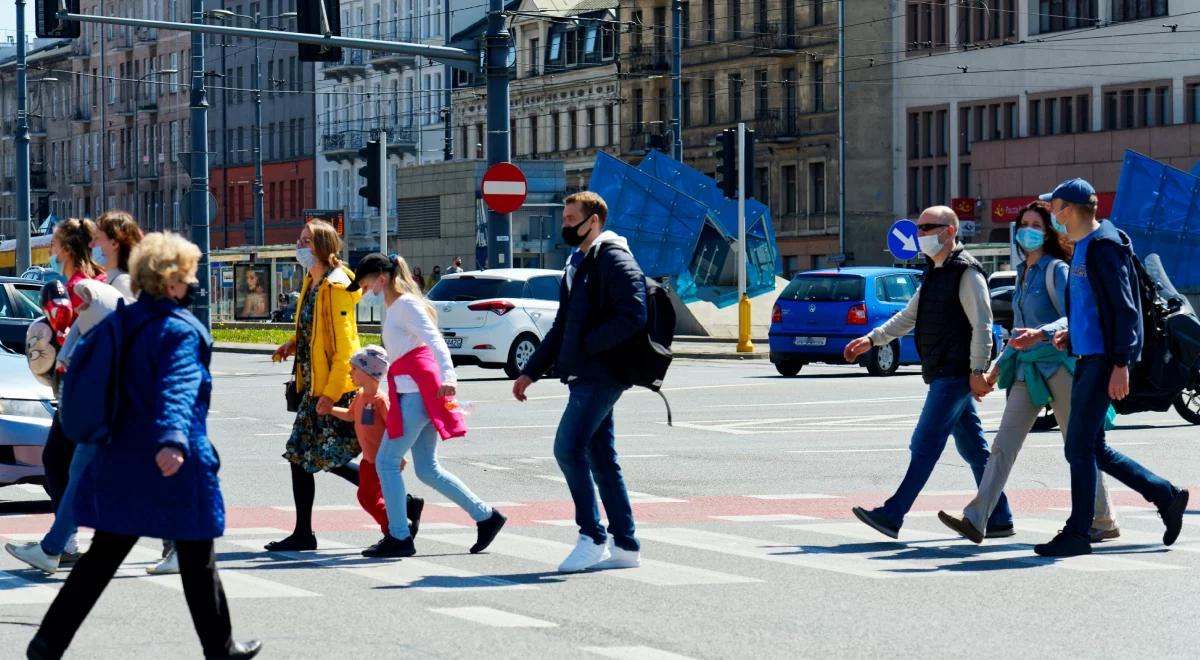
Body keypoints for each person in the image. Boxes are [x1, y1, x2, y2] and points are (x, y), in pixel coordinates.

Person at [24, 232, 261, 660]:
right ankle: (220, 648)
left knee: (103, 557)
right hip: (172, 460)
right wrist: (172, 439)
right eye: (187, 275)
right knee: (196, 553)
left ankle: (47, 642)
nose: (191, 284)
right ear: (171, 282)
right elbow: (178, 387)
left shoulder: (118, 322)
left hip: (119, 457)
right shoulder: (180, 331)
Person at [937, 201, 1119, 544]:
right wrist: (993, 371)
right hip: (1027, 371)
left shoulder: (1057, 270)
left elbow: (1075, 318)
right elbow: (1018, 331)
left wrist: (1043, 333)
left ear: (1048, 231)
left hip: (1063, 369)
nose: (1028, 231)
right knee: (1003, 445)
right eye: (1025, 224)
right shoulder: (1022, 272)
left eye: (1036, 225)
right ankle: (977, 518)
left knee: (1078, 447)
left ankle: (1104, 518)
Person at [1032, 178, 1189, 557]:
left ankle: (1078, 531)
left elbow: (1125, 308)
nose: (1051, 214)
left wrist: (1121, 362)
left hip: (1105, 361)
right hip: (1089, 356)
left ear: (1069, 209)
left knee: (1079, 447)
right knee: (1092, 447)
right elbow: (1092, 308)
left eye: (1053, 207)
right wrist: (1074, 336)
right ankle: (1165, 495)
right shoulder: (1086, 246)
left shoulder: (1105, 245)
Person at [844, 205, 1013, 539]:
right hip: (943, 372)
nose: (919, 235)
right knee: (973, 448)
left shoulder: (967, 272)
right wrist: (872, 339)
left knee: (925, 443)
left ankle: (893, 514)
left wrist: (978, 369)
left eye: (926, 228)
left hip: (954, 373)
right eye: (919, 228)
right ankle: (999, 516)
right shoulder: (936, 271)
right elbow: (910, 316)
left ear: (949, 231)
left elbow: (983, 325)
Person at [512, 191, 648, 573]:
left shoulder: (614, 258)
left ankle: (592, 536)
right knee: (602, 458)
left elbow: (634, 314)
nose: (565, 225)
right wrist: (530, 371)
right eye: (565, 218)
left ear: (594, 221)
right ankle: (625, 546)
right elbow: (562, 326)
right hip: (586, 373)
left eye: (572, 218)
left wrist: (590, 346)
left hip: (603, 373)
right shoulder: (579, 262)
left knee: (568, 448)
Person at [268, 220, 422, 552]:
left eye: (306, 241)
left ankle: (305, 533)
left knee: (304, 456)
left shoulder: (336, 286)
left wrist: (331, 393)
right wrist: (293, 344)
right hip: (313, 384)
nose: (300, 246)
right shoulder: (313, 282)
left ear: (323, 247)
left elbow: (345, 346)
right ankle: (404, 505)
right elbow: (315, 329)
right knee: (325, 456)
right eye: (300, 240)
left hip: (328, 387)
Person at [346, 253, 505, 557]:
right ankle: (486, 516)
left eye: (365, 282)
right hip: (413, 393)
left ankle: (399, 536)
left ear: (381, 277)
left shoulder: (405, 305)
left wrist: (450, 376)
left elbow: (435, 340)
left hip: (418, 395)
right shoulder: (394, 306)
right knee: (427, 469)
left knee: (386, 462)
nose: (364, 289)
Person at [40, 218, 107, 565]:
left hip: (81, 385)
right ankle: (65, 540)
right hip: (82, 383)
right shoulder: (91, 280)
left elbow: (69, 327)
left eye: (54, 242)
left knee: (59, 460)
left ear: (65, 249)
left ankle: (64, 542)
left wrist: (54, 316)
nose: (51, 249)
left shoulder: (79, 286)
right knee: (63, 461)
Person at [321, 345, 410, 547]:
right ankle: (395, 528)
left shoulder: (381, 400)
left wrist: (399, 454)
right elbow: (351, 415)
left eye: (354, 369)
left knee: (368, 497)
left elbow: (394, 428)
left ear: (368, 372)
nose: (350, 373)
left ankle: (394, 529)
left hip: (383, 460)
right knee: (371, 497)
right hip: (368, 460)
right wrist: (330, 409)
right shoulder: (361, 396)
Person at [89, 210, 144, 300]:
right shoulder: (112, 277)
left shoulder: (123, 282)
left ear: (114, 244)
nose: (91, 244)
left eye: (97, 238)